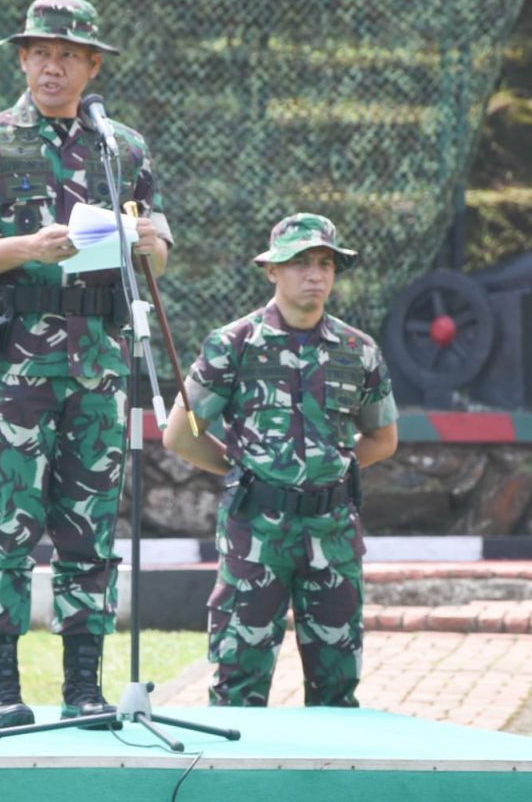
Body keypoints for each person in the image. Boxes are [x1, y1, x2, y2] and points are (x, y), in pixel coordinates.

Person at [0, 0, 172, 730]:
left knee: (90, 526)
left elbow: (160, 252)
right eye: (39, 51)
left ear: (93, 64)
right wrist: (28, 249)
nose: (52, 64)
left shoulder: (122, 148)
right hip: (18, 362)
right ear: (21, 58)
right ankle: (0, 688)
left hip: (100, 362)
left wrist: (141, 242)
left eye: (68, 53)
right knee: (7, 520)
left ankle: (84, 687)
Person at [163, 213, 398, 707]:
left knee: (336, 691)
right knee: (238, 688)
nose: (315, 274)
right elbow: (181, 435)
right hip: (257, 536)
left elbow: (382, 438)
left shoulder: (359, 351)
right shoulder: (233, 345)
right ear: (272, 270)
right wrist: (243, 471)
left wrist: (330, 472)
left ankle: (327, 785)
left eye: (325, 264)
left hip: (332, 535)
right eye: (299, 263)